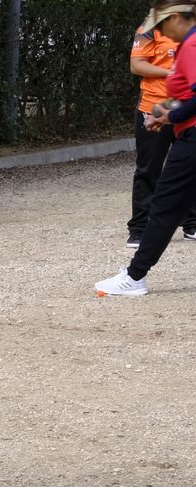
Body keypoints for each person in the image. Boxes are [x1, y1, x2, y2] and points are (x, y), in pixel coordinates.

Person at [97, 3, 196, 296]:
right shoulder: (186, 45)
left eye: (163, 26)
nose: (159, 33)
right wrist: (163, 111)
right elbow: (187, 94)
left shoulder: (191, 45)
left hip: (192, 136)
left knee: (166, 205)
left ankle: (134, 277)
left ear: (176, 18)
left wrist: (170, 115)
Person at [127, 6, 196, 248]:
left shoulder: (190, 32)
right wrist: (174, 71)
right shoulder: (149, 29)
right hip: (154, 107)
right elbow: (137, 65)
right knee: (148, 169)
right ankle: (138, 228)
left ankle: (191, 224)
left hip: (187, 110)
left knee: (189, 167)